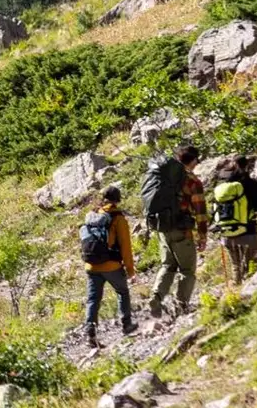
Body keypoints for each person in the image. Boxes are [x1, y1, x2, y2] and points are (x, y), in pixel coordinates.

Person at [147, 144, 207, 319]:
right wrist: (202, 235)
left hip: (162, 228)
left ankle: (155, 297)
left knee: (168, 265)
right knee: (187, 269)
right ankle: (181, 306)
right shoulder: (192, 181)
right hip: (182, 229)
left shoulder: (163, 177)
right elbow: (200, 211)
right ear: (193, 160)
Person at [81, 184, 137, 348]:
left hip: (91, 265)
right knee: (122, 291)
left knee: (93, 299)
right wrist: (130, 270)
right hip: (111, 265)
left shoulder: (92, 215)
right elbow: (125, 247)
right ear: (117, 200)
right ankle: (126, 324)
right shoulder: (118, 218)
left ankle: (90, 332)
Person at [210, 155, 257, 284]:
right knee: (252, 268)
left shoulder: (223, 186)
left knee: (236, 267)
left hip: (226, 233)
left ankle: (237, 290)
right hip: (247, 231)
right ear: (247, 167)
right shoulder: (249, 183)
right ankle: (251, 295)